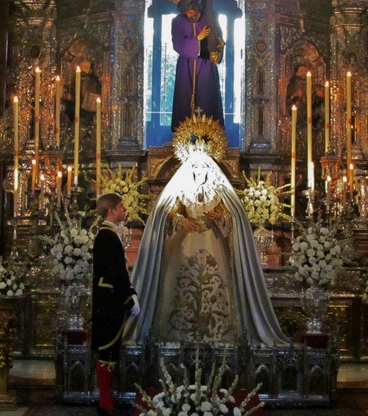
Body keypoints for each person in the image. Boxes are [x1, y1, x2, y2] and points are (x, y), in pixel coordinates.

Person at [123, 117, 289, 346]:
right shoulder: (180, 188)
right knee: (180, 286)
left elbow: (233, 217)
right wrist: (180, 219)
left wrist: (221, 217)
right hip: (184, 244)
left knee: (216, 285)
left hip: (214, 241)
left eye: (204, 167)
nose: (200, 171)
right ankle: (178, 332)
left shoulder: (220, 189)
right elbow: (168, 212)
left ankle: (217, 332)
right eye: (196, 167)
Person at [92, 193, 139, 416]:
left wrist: (130, 294)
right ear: (111, 211)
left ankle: (108, 399)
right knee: (106, 350)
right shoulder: (107, 236)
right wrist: (129, 298)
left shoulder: (110, 234)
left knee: (111, 351)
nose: (124, 210)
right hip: (109, 302)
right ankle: (105, 403)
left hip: (110, 300)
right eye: (121, 206)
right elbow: (116, 273)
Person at [164, 0, 225, 131]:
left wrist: (220, 43)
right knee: (185, 96)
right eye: (186, 13)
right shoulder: (178, 21)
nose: (189, 15)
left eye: (191, 12)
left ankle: (209, 132)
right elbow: (178, 44)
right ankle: (183, 133)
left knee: (206, 94)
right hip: (187, 65)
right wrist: (198, 38)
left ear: (196, 7)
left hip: (206, 64)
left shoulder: (210, 16)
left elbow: (218, 35)